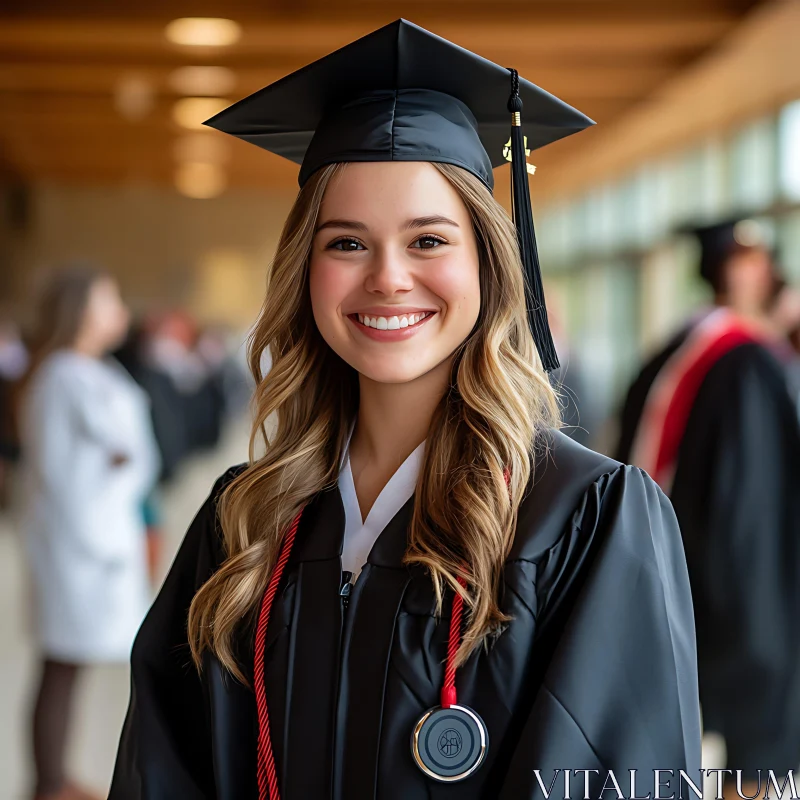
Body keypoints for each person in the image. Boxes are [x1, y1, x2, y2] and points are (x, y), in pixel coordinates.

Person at [110, 20, 700, 800]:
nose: (387, 278)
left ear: (490, 263)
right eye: (346, 243)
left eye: (428, 241)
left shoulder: (583, 520)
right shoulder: (243, 522)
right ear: (304, 271)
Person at [616, 219, 800, 790]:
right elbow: (751, 522)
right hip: (739, 617)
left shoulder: (672, 352)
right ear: (745, 272)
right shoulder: (745, 366)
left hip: (670, 590)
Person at [19, 268, 160, 800]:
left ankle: (55, 777)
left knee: (69, 662)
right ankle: (48, 783)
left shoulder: (91, 371)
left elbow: (124, 451)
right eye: (109, 300)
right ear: (79, 309)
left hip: (100, 539)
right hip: (81, 545)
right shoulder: (62, 376)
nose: (119, 310)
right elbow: (69, 470)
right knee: (62, 659)